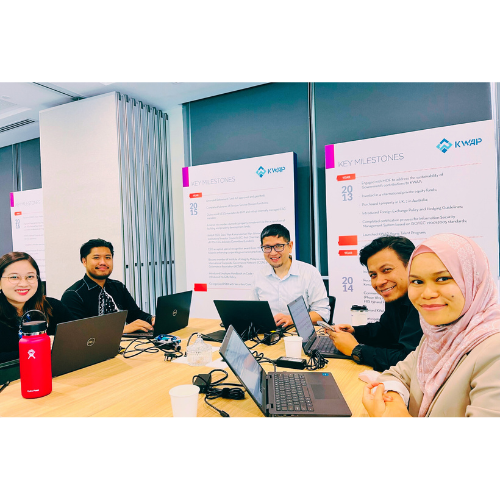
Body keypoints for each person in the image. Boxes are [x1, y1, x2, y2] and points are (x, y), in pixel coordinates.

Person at [362, 233, 500, 417]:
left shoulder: (494, 350)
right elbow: (396, 375)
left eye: (442, 279)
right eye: (417, 281)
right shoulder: (437, 336)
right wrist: (394, 403)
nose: (427, 293)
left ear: (473, 280)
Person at [328, 236, 423, 371]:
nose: (379, 282)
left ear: (411, 266)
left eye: (386, 270)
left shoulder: (425, 303)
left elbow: (408, 362)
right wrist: (355, 331)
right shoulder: (396, 295)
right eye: (373, 275)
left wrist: (356, 350)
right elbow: (386, 330)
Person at [61, 238, 155, 334]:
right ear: (84, 261)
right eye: (96, 257)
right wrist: (121, 330)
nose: (103, 262)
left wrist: (152, 319)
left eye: (108, 257)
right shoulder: (73, 295)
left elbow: (134, 315)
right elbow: (77, 333)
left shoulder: (118, 287)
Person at [0, 252, 74, 363]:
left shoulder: (52, 306)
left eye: (30, 277)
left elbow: (78, 337)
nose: (24, 284)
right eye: (14, 277)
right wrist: (37, 347)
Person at [251, 224, 329, 328]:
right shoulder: (258, 275)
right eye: (267, 247)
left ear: (290, 246)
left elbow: (322, 314)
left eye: (279, 246)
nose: (273, 253)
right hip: (268, 334)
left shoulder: (309, 273)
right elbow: (252, 312)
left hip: (300, 333)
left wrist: (293, 319)